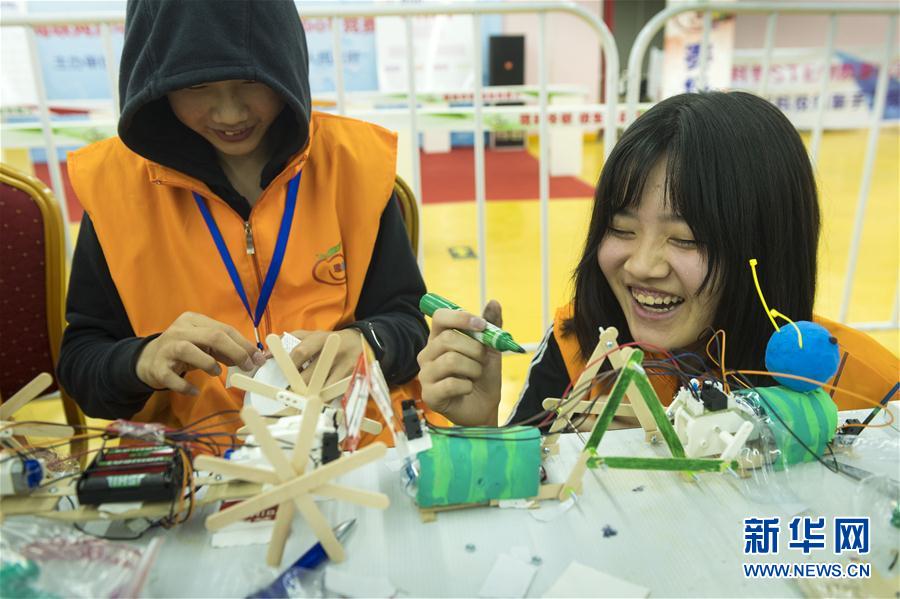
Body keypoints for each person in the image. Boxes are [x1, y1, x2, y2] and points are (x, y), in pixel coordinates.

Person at [57, 0, 437, 444]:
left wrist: (368, 341)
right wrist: (141, 359)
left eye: (249, 81)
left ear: (286, 64)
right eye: (197, 86)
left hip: (357, 448)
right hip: (198, 464)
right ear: (157, 83)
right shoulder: (117, 190)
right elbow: (83, 363)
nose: (230, 113)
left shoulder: (353, 167)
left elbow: (409, 324)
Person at [417, 91, 898, 427]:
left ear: (766, 249)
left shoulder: (867, 392)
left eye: (685, 239)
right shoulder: (580, 351)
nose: (642, 265)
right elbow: (517, 509)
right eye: (622, 229)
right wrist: (478, 425)